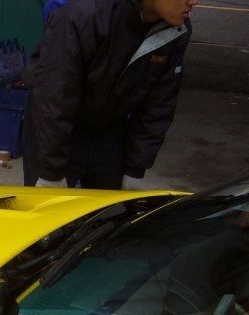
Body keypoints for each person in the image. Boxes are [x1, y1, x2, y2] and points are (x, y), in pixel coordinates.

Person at [21, 0, 198, 190]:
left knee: (110, 206)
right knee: (52, 205)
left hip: (109, 128)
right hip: (55, 129)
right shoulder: (86, 17)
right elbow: (53, 96)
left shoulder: (175, 32)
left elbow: (159, 104)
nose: (194, 2)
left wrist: (135, 168)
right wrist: (51, 171)